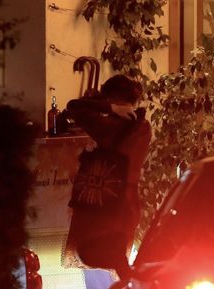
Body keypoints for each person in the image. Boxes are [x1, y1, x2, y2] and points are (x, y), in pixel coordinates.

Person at [63, 74, 151, 280]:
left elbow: (74, 106)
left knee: (92, 254)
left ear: (113, 99)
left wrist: (108, 108)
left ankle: (136, 283)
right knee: (117, 259)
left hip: (105, 203)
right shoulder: (143, 126)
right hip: (128, 204)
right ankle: (134, 282)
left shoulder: (109, 127)